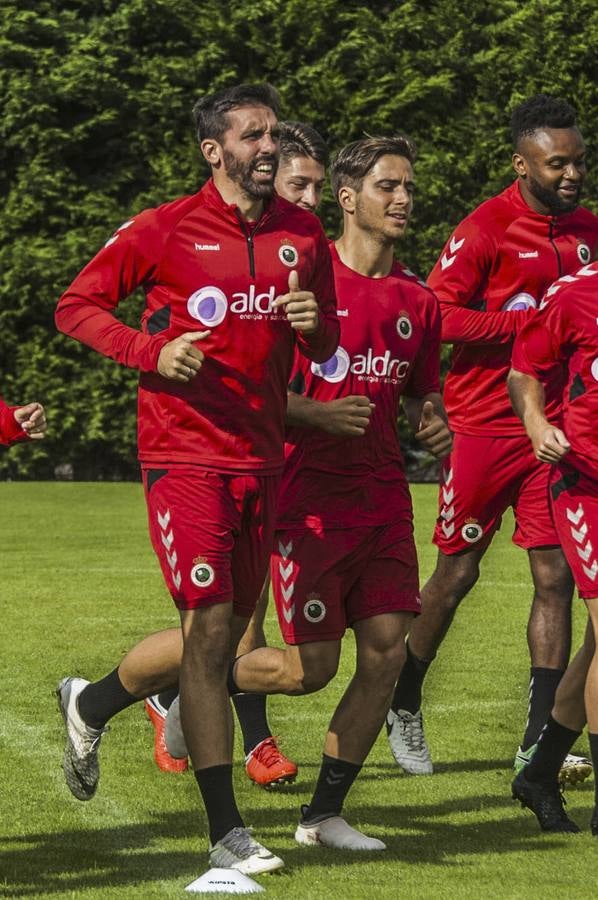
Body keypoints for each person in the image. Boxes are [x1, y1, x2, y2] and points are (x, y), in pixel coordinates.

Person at [54, 83, 339, 876]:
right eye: (253, 135)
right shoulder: (165, 228)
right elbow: (75, 305)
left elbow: (329, 344)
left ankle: (91, 701)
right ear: (214, 150)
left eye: (273, 133)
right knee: (211, 638)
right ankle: (225, 834)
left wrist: (317, 332)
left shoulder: (302, 234)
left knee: (214, 641)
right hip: (185, 459)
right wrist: (151, 353)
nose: (269, 147)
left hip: (262, 461)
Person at [168, 134, 452, 849]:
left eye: (409, 187)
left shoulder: (419, 298)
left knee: (387, 650)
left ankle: (322, 816)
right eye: (388, 186)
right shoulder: (298, 287)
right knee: (309, 670)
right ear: (349, 200)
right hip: (309, 500)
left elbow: (419, 397)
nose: (403, 199)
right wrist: (318, 414)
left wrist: (434, 427)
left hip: (385, 499)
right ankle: (190, 683)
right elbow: (244, 389)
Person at [387, 94, 598, 781]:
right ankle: (404, 698)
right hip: (481, 424)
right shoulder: (485, 228)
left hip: (554, 430)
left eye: (578, 162)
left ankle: (539, 736)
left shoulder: (589, 229)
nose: (571, 174)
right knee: (455, 574)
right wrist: (533, 327)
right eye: (556, 163)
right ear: (522, 162)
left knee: (554, 576)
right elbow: (437, 316)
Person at [142, 120, 329, 782]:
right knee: (227, 621)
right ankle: (253, 746)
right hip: (223, 461)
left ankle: (156, 697)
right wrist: (323, 415)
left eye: (317, 186)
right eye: (297, 184)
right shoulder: (212, 245)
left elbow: (326, 356)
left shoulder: (310, 257)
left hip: (299, 471)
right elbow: (248, 384)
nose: (309, 198)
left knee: (251, 633)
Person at [508, 259, 598, 833]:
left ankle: (539, 773)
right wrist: (538, 425)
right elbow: (525, 369)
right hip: (586, 483)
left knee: (595, 648)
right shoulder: (577, 294)